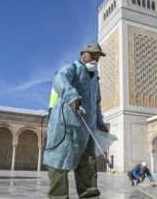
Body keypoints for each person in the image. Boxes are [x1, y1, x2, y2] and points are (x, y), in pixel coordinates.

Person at [43, 43, 108, 199]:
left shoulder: (95, 79)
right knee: (59, 164)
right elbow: (60, 79)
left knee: (88, 168)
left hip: (88, 129)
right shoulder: (71, 69)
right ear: (82, 54)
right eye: (92, 55)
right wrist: (72, 95)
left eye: (97, 57)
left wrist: (100, 122)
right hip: (67, 127)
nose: (95, 59)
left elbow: (96, 103)